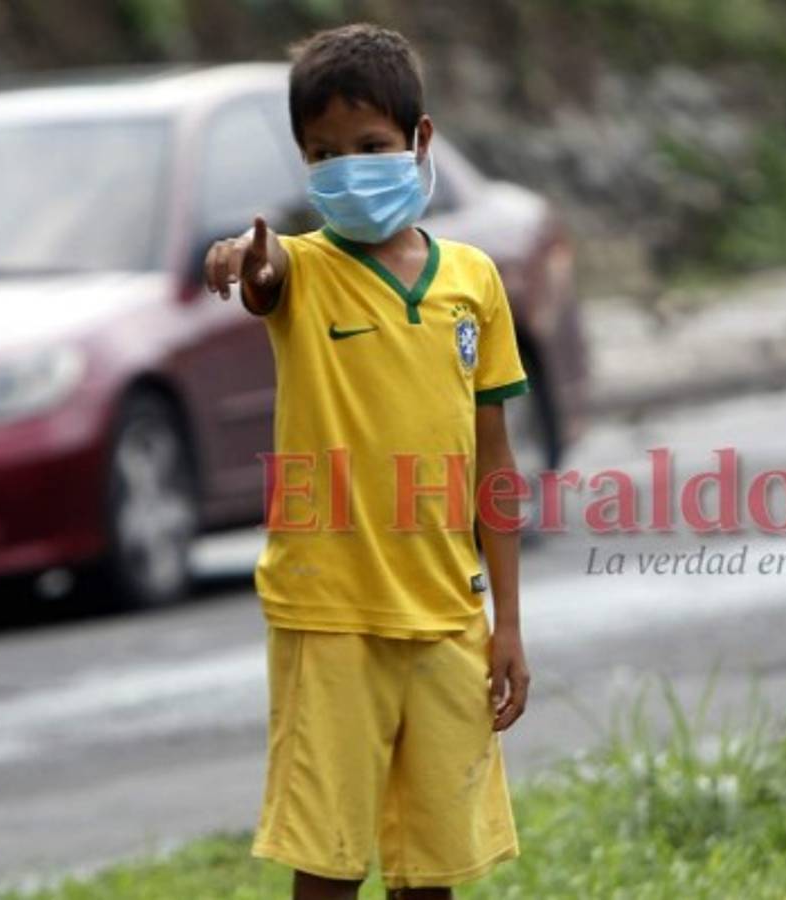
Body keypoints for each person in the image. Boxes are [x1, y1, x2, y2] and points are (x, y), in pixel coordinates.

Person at [202, 23, 531, 900]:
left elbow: (494, 468)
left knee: (432, 869)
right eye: (323, 152)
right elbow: (259, 272)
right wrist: (243, 257)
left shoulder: (474, 283)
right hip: (330, 612)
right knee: (329, 863)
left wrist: (506, 623)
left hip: (447, 616)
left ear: (419, 141)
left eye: (370, 145)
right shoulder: (302, 273)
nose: (348, 166)